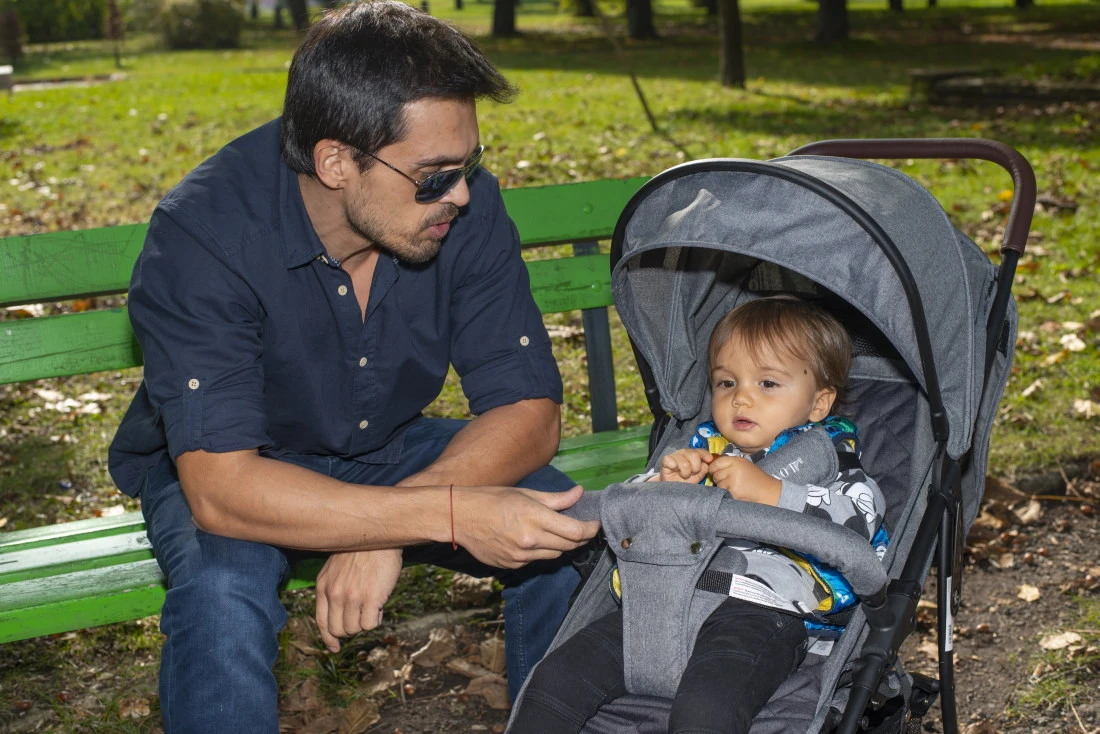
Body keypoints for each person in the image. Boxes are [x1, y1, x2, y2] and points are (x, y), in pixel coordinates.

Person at [106, 2, 600, 731]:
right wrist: (441, 512)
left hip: (387, 442)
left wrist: (395, 523)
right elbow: (222, 489)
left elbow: (530, 409)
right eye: (433, 176)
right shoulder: (205, 235)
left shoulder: (463, 209)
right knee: (221, 592)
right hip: (244, 461)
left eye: (469, 165)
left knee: (568, 529)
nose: (460, 194)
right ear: (336, 162)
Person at [509, 295, 887, 734]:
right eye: (726, 383)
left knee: (707, 709)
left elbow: (860, 524)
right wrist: (664, 487)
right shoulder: (697, 452)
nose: (741, 398)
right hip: (661, 599)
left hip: (763, 612)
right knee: (554, 682)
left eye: (767, 383)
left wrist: (775, 493)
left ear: (819, 403)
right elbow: (628, 511)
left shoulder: (830, 463)